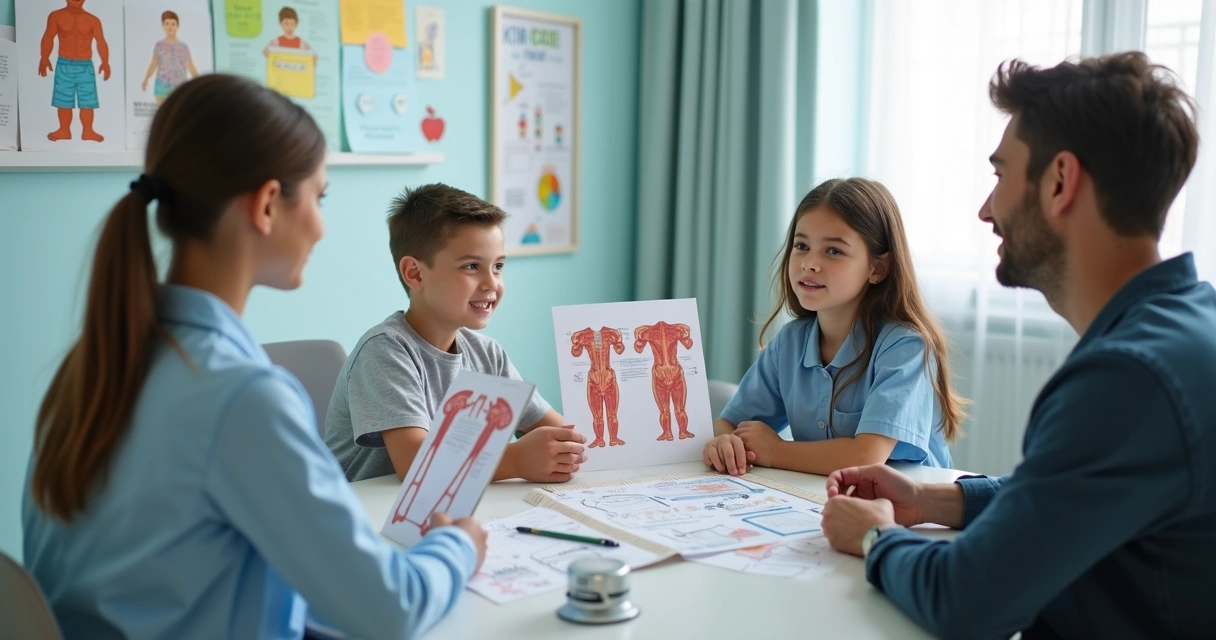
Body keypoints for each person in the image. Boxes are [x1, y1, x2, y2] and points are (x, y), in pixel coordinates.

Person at [22, 74, 486, 640]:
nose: (320, 225)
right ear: (267, 204)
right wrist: (456, 547)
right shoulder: (242, 397)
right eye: (318, 197)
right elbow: (390, 610)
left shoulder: (93, 363)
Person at [821, 52, 1214, 639]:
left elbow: (967, 601)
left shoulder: (1129, 378)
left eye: (1000, 174)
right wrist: (937, 501)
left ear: (1060, 181)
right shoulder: (1188, 325)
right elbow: (1075, 491)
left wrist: (877, 537)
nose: (986, 209)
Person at [325, 183, 587, 483]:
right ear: (415, 273)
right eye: (472, 266)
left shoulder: (488, 355)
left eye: (498, 266)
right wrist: (515, 460)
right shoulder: (384, 351)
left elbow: (563, 432)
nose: (492, 284)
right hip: (368, 517)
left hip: (446, 508)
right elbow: (414, 463)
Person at [704, 178, 964, 477]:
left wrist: (775, 451)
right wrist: (724, 443)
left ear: (877, 268)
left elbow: (866, 457)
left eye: (834, 251)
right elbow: (729, 425)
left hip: (912, 515)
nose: (810, 263)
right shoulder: (789, 342)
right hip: (825, 501)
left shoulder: (905, 347)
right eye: (802, 246)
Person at [38, 0, 110, 142]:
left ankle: (88, 131)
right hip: (64, 63)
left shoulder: (92, 20)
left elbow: (100, 40)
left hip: (85, 65)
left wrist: (105, 62)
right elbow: (48, 36)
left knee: (88, 100)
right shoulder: (56, 16)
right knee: (63, 99)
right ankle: (64, 130)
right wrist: (44, 57)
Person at [140, 11, 199, 103]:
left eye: (173, 24)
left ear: (177, 26)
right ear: (163, 26)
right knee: (162, 113)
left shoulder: (183, 47)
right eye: (167, 24)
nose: (170, 27)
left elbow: (190, 66)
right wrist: (146, 79)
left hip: (180, 85)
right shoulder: (159, 45)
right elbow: (153, 64)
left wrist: (199, 82)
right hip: (162, 84)